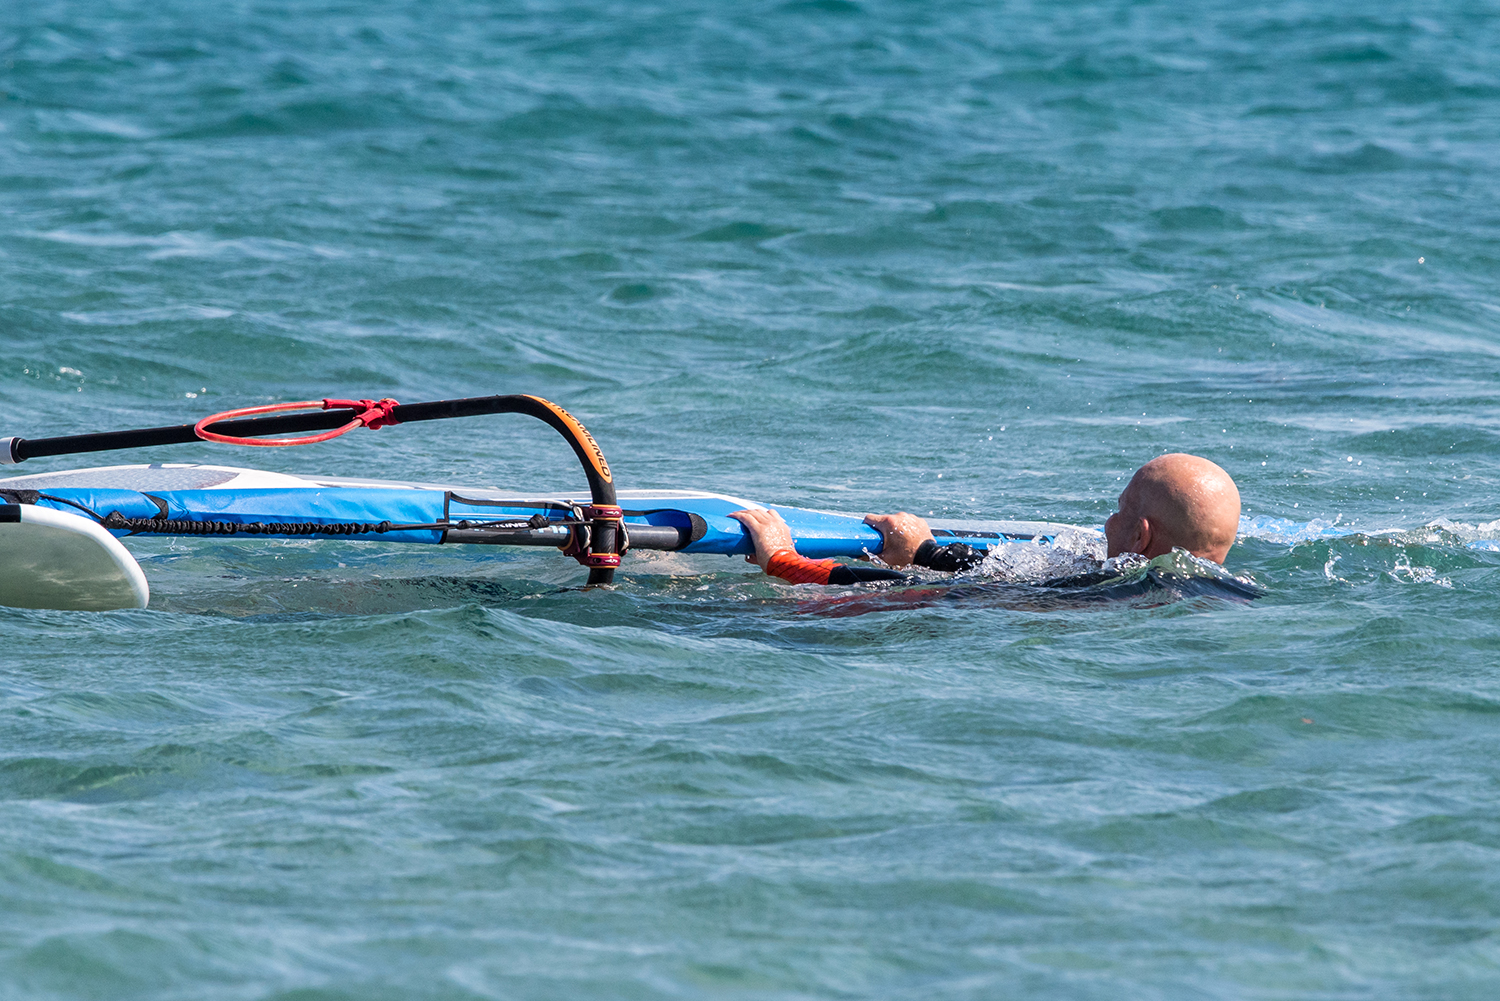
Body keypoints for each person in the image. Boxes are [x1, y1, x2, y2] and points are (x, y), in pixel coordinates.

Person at [728, 453, 1241, 586]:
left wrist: (781, 558)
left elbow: (899, 589)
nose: (1108, 521)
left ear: (1139, 534)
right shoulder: (1231, 590)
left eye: (1120, 511)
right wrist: (929, 553)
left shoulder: (1116, 590)